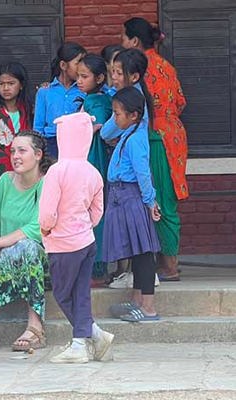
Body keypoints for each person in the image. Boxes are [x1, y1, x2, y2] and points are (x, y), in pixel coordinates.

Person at [39, 112, 114, 364]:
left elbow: (48, 212)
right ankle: (91, 336)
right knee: (81, 292)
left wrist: (46, 229)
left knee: (62, 293)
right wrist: (85, 226)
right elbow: (97, 211)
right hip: (86, 241)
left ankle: (83, 340)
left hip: (62, 244)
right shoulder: (92, 171)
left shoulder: (56, 171)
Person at [122, 17, 189, 281]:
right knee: (168, 194)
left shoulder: (140, 68)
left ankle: (169, 266)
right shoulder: (166, 66)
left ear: (134, 41)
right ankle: (168, 261)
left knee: (159, 199)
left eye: (124, 38)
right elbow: (181, 101)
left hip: (155, 138)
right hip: (174, 136)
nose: (122, 43)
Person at [0, 131, 50, 353]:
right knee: (7, 252)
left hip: (39, 259)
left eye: (22, 151)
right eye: (13, 151)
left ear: (37, 155)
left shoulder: (46, 184)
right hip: (5, 258)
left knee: (26, 247)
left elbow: (37, 228)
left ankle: (35, 325)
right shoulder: (5, 182)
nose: (15, 156)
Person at [102, 87, 162, 323]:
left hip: (133, 197)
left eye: (117, 114)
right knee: (136, 252)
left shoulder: (137, 138)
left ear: (134, 115)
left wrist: (149, 201)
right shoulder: (129, 132)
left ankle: (148, 307)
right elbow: (107, 132)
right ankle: (137, 300)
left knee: (144, 252)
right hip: (120, 197)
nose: (115, 118)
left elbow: (143, 173)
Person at [75, 54, 113, 286]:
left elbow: (95, 126)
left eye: (84, 76)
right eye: (78, 75)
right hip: (93, 159)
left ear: (99, 78)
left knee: (93, 212)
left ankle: (97, 267)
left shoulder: (96, 102)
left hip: (93, 159)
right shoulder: (93, 98)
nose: (79, 80)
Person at [0, 62, 34, 194]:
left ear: (21, 85)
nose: (6, 88)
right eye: (1, 84)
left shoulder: (26, 108)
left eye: (11, 83)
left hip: (25, 167)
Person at [33, 42, 86, 159]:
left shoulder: (85, 90)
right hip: (51, 143)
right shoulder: (44, 92)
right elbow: (38, 127)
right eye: (78, 63)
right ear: (63, 65)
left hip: (78, 142)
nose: (82, 67)